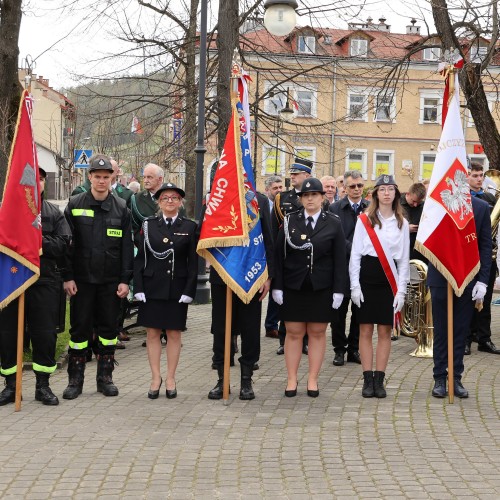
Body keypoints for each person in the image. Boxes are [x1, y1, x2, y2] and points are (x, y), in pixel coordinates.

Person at [62, 154, 134, 399]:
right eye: (97, 177)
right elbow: (67, 246)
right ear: (89, 176)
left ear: (112, 178)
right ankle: (75, 380)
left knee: (108, 329)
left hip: (110, 281)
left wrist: (125, 280)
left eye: (106, 177)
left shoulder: (122, 207)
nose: (102, 181)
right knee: (79, 331)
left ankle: (105, 378)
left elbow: (126, 247)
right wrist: (68, 277)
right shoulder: (75, 204)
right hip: (81, 281)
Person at [0, 167, 71, 406]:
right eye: (31, 179)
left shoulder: (53, 213)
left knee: (44, 334)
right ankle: (11, 386)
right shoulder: (5, 212)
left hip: (45, 279)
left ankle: (43, 385)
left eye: (40, 179)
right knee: (8, 334)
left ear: (43, 184)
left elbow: (63, 244)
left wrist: (35, 240)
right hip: (12, 280)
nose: (36, 183)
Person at [273, 177, 346, 397]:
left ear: (322, 197)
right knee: (293, 333)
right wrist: (277, 286)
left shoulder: (333, 222)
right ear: (301, 199)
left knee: (317, 332)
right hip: (294, 285)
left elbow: (339, 259)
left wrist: (339, 289)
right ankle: (292, 379)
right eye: (305, 195)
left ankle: (312, 379)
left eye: (314, 194)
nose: (310, 199)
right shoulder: (289, 221)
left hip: (321, 287)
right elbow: (278, 255)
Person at [205, 191, 274, 401]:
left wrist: (268, 276)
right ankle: (222, 378)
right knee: (221, 328)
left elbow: (268, 239)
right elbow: (203, 232)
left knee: (250, 328)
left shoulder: (259, 200)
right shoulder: (215, 197)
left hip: (251, 274)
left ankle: (246, 379)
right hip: (222, 274)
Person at [134, 183, 198, 399]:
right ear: (158, 202)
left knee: (173, 333)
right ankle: (155, 377)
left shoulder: (189, 226)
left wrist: (190, 289)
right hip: (152, 287)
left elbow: (192, 263)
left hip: (177, 288)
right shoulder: (148, 224)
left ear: (180, 202)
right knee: (152, 333)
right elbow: (140, 258)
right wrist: (139, 287)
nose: (169, 201)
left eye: (174, 198)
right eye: (165, 198)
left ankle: (170, 378)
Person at [349, 175, 410, 398]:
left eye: (390, 189)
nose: (386, 193)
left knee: (385, 331)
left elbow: (403, 260)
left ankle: (380, 379)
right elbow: (355, 255)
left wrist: (401, 290)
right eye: (382, 189)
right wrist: (354, 285)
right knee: (364, 330)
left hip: (388, 281)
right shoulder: (364, 219)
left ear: (396, 194)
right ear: (375, 194)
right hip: (367, 277)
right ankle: (367, 379)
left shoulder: (401, 222)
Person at [429, 195, 491, 398]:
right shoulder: (437, 203)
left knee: (461, 330)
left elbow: (484, 246)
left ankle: (455, 377)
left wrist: (483, 280)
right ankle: (439, 376)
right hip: (440, 274)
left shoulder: (481, 208)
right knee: (441, 329)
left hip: (468, 276)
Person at [272, 157, 312, 355]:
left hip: (306, 257)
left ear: (307, 176)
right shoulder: (282, 198)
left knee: (305, 302)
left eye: (296, 173)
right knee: (285, 302)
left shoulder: (314, 197)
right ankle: (283, 338)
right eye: (292, 173)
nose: (292, 176)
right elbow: (275, 229)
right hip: (288, 255)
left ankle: (304, 341)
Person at [328, 170, 368, 367]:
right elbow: (334, 236)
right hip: (341, 266)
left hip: (363, 267)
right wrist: (354, 249)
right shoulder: (335, 208)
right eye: (352, 186)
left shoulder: (370, 208)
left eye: (360, 186)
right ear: (344, 188)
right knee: (339, 311)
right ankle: (338, 349)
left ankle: (354, 348)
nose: (357, 189)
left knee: (359, 311)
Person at [465, 162, 500, 355]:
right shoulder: (462, 200)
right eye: (475, 176)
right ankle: (466, 339)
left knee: (485, 300)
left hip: (487, 253)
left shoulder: (489, 198)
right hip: (469, 254)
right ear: (467, 177)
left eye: (481, 176)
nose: (479, 179)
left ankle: (484, 339)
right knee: (469, 298)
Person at [263, 175, 283, 339]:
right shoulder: (262, 205)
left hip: (278, 252)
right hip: (262, 253)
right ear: (267, 190)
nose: (278, 191)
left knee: (276, 288)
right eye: (275, 188)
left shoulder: (283, 206)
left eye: (280, 187)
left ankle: (272, 325)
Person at [130, 163, 164, 239]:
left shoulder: (172, 197)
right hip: (145, 246)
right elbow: (135, 228)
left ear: (160, 179)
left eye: (149, 177)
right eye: (144, 177)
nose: (145, 180)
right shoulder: (137, 198)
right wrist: (143, 245)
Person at [400, 182, 427, 262]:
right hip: (400, 251)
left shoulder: (424, 206)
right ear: (408, 194)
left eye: (418, 202)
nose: (415, 205)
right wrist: (405, 228)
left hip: (418, 253)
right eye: (413, 201)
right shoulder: (395, 204)